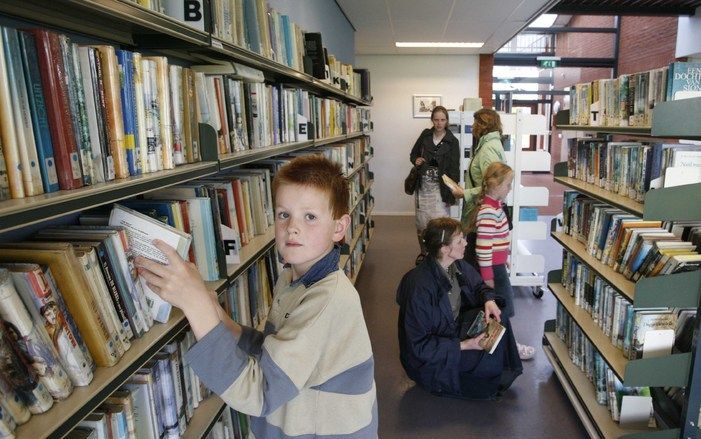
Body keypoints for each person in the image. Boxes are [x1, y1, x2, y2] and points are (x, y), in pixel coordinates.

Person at [136, 155, 378, 438]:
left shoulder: (326, 300)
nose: (292, 227)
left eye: (310, 217)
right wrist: (221, 320)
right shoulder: (293, 276)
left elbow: (260, 394)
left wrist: (196, 306)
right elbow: (275, 351)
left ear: (339, 227)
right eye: (283, 214)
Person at [396, 217, 522, 400]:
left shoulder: (457, 265)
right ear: (445, 249)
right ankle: (481, 382)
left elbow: (480, 286)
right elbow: (418, 347)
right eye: (460, 240)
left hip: (450, 329)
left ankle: (494, 374)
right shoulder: (418, 287)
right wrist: (464, 345)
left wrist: (488, 300)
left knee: (497, 321)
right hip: (430, 360)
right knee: (485, 356)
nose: (466, 243)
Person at [466, 162, 535, 361]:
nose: (510, 188)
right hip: (492, 272)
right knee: (503, 311)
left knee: (501, 311)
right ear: (495, 185)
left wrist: (503, 257)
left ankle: (495, 347)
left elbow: (496, 240)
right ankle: (509, 348)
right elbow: (483, 248)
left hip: (497, 267)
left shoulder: (496, 208)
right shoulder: (489, 211)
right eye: (508, 184)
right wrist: (488, 279)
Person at [410, 105, 460, 264]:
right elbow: (413, 154)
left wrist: (453, 190)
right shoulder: (425, 135)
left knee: (439, 224)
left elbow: (454, 168)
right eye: (436, 119)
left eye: (443, 120)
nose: (439, 123)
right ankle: (423, 253)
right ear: (432, 120)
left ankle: (438, 256)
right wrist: (416, 160)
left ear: (447, 121)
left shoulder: (452, 141)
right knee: (422, 223)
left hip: (441, 189)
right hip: (423, 187)